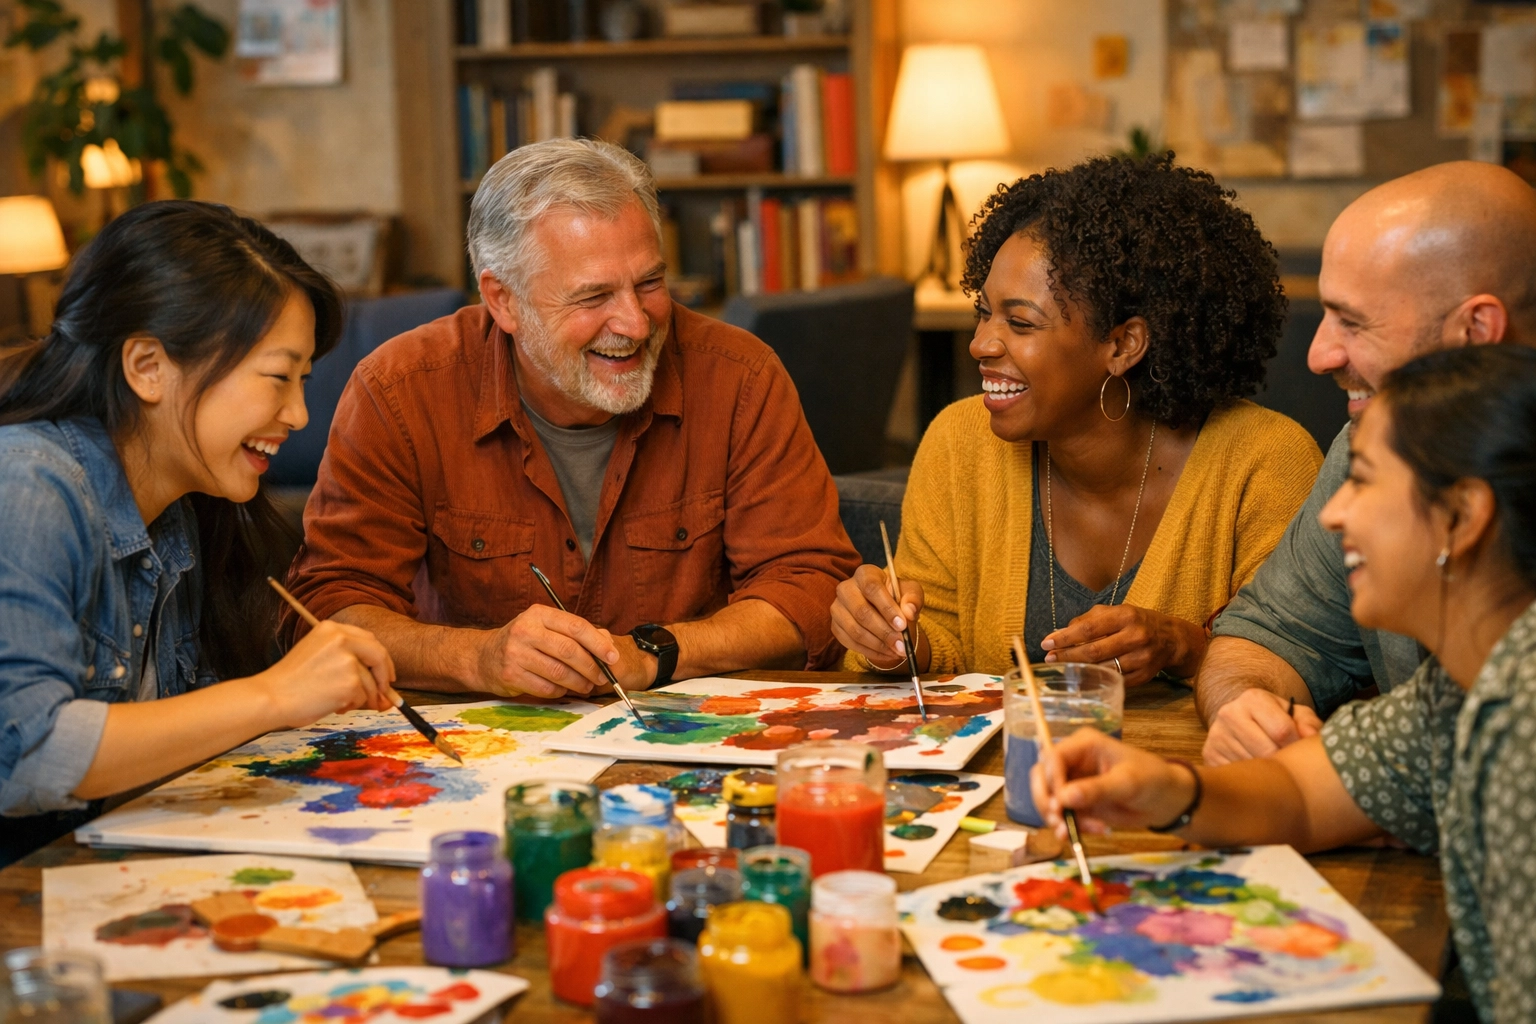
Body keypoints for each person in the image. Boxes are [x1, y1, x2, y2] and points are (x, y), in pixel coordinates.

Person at [1033, 345, 1536, 1023]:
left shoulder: (1519, 717)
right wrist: (1162, 788)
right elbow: (1302, 792)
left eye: (1363, 481)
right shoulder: (1457, 688)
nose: (1332, 515)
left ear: (1462, 517)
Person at [284, 138, 859, 698]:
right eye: (593, 297)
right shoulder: (400, 391)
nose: (635, 323)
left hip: (693, 741)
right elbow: (331, 606)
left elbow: (809, 586)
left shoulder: (740, 375)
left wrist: (654, 652)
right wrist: (477, 659)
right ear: (503, 300)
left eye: (650, 283)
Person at [0, 201, 397, 860]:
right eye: (277, 379)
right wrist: (275, 694)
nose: (298, 414)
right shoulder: (29, 485)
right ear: (148, 367)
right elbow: (26, 754)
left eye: (302, 382)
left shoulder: (184, 509)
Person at [833, 154, 1322, 680]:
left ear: (1122, 344)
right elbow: (939, 641)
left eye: (1020, 322)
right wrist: (890, 638)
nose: (979, 344)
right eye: (983, 311)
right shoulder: (960, 442)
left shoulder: (1265, 462)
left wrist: (1188, 649)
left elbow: (1310, 662)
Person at [1198, 161, 1536, 765]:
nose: (1319, 356)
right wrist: (1247, 710)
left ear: (1476, 331)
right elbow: (1270, 634)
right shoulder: (1368, 446)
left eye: (1353, 322)